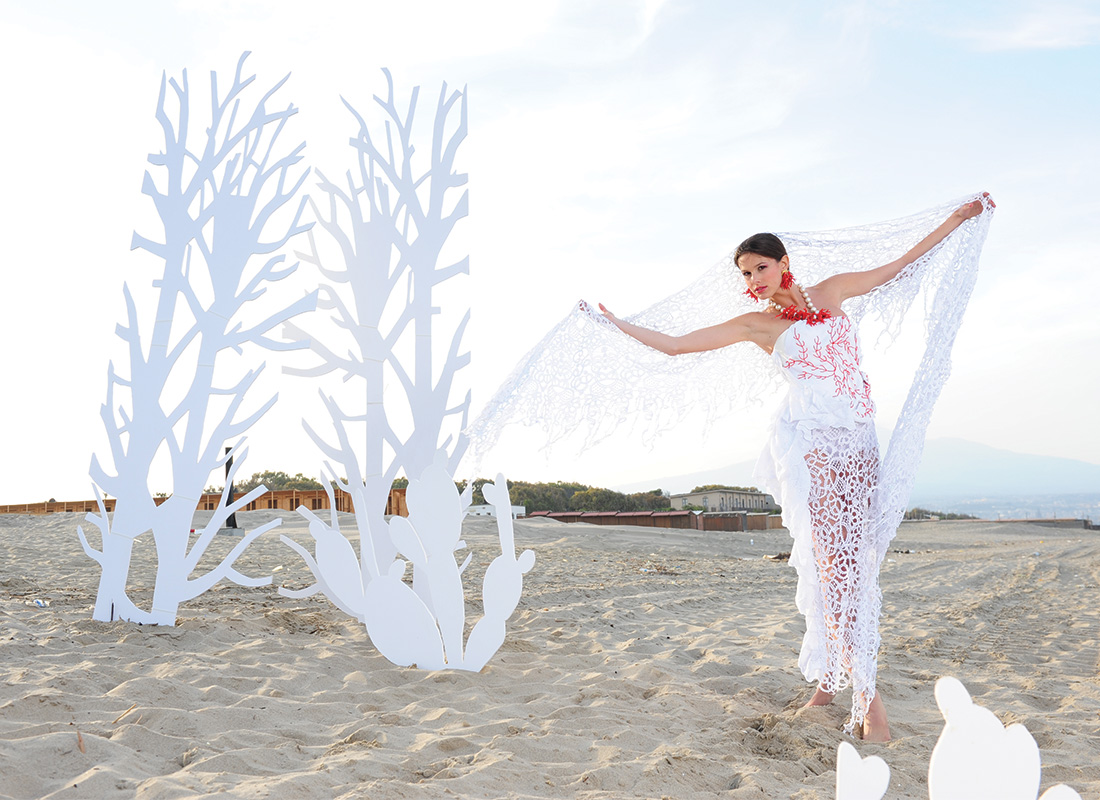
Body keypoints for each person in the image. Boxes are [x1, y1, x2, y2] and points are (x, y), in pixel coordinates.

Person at [597, 194, 994, 742]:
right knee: (838, 571)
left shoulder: (831, 292)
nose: (754, 279)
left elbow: (900, 265)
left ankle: (827, 686)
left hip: (860, 447)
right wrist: (619, 324)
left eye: (760, 267)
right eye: (745, 272)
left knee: (856, 565)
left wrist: (955, 220)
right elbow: (676, 346)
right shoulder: (757, 325)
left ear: (784, 263)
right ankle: (869, 704)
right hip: (815, 451)